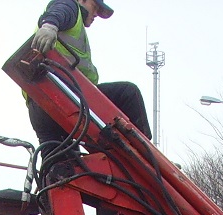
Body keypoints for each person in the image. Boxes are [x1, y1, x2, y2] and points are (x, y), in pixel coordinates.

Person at [28, 0, 153, 152]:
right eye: (95, 8)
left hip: (40, 107)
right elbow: (60, 10)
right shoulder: (71, 7)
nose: (96, 15)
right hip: (65, 96)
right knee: (128, 92)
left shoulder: (74, 28)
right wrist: (49, 25)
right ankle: (148, 154)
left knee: (63, 168)